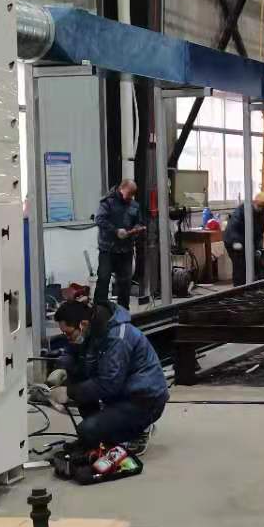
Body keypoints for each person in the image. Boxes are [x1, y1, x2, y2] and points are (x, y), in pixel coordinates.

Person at [50, 299, 168, 457]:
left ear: (83, 324)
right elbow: (72, 352)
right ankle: (98, 434)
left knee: (87, 430)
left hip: (143, 400)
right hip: (120, 394)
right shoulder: (89, 329)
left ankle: (138, 430)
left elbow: (108, 384)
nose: (67, 338)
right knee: (77, 379)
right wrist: (61, 368)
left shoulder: (117, 338)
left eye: (69, 333)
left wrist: (69, 392)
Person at [94, 179, 145, 311]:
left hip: (126, 250)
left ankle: (123, 311)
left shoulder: (134, 205)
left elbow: (139, 221)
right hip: (108, 249)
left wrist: (137, 228)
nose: (130, 197)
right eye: (129, 193)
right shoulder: (108, 202)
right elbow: (99, 219)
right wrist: (116, 231)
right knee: (104, 278)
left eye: (132, 194)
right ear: (121, 189)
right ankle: (99, 310)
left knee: (125, 282)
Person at [223, 191, 264, 286]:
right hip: (233, 241)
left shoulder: (262, 213)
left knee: (256, 265)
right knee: (240, 266)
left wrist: (258, 248)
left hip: (247, 242)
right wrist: (238, 243)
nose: (261, 208)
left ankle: (252, 287)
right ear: (254, 202)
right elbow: (233, 228)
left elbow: (260, 232)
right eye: (260, 205)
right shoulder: (242, 210)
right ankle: (239, 289)